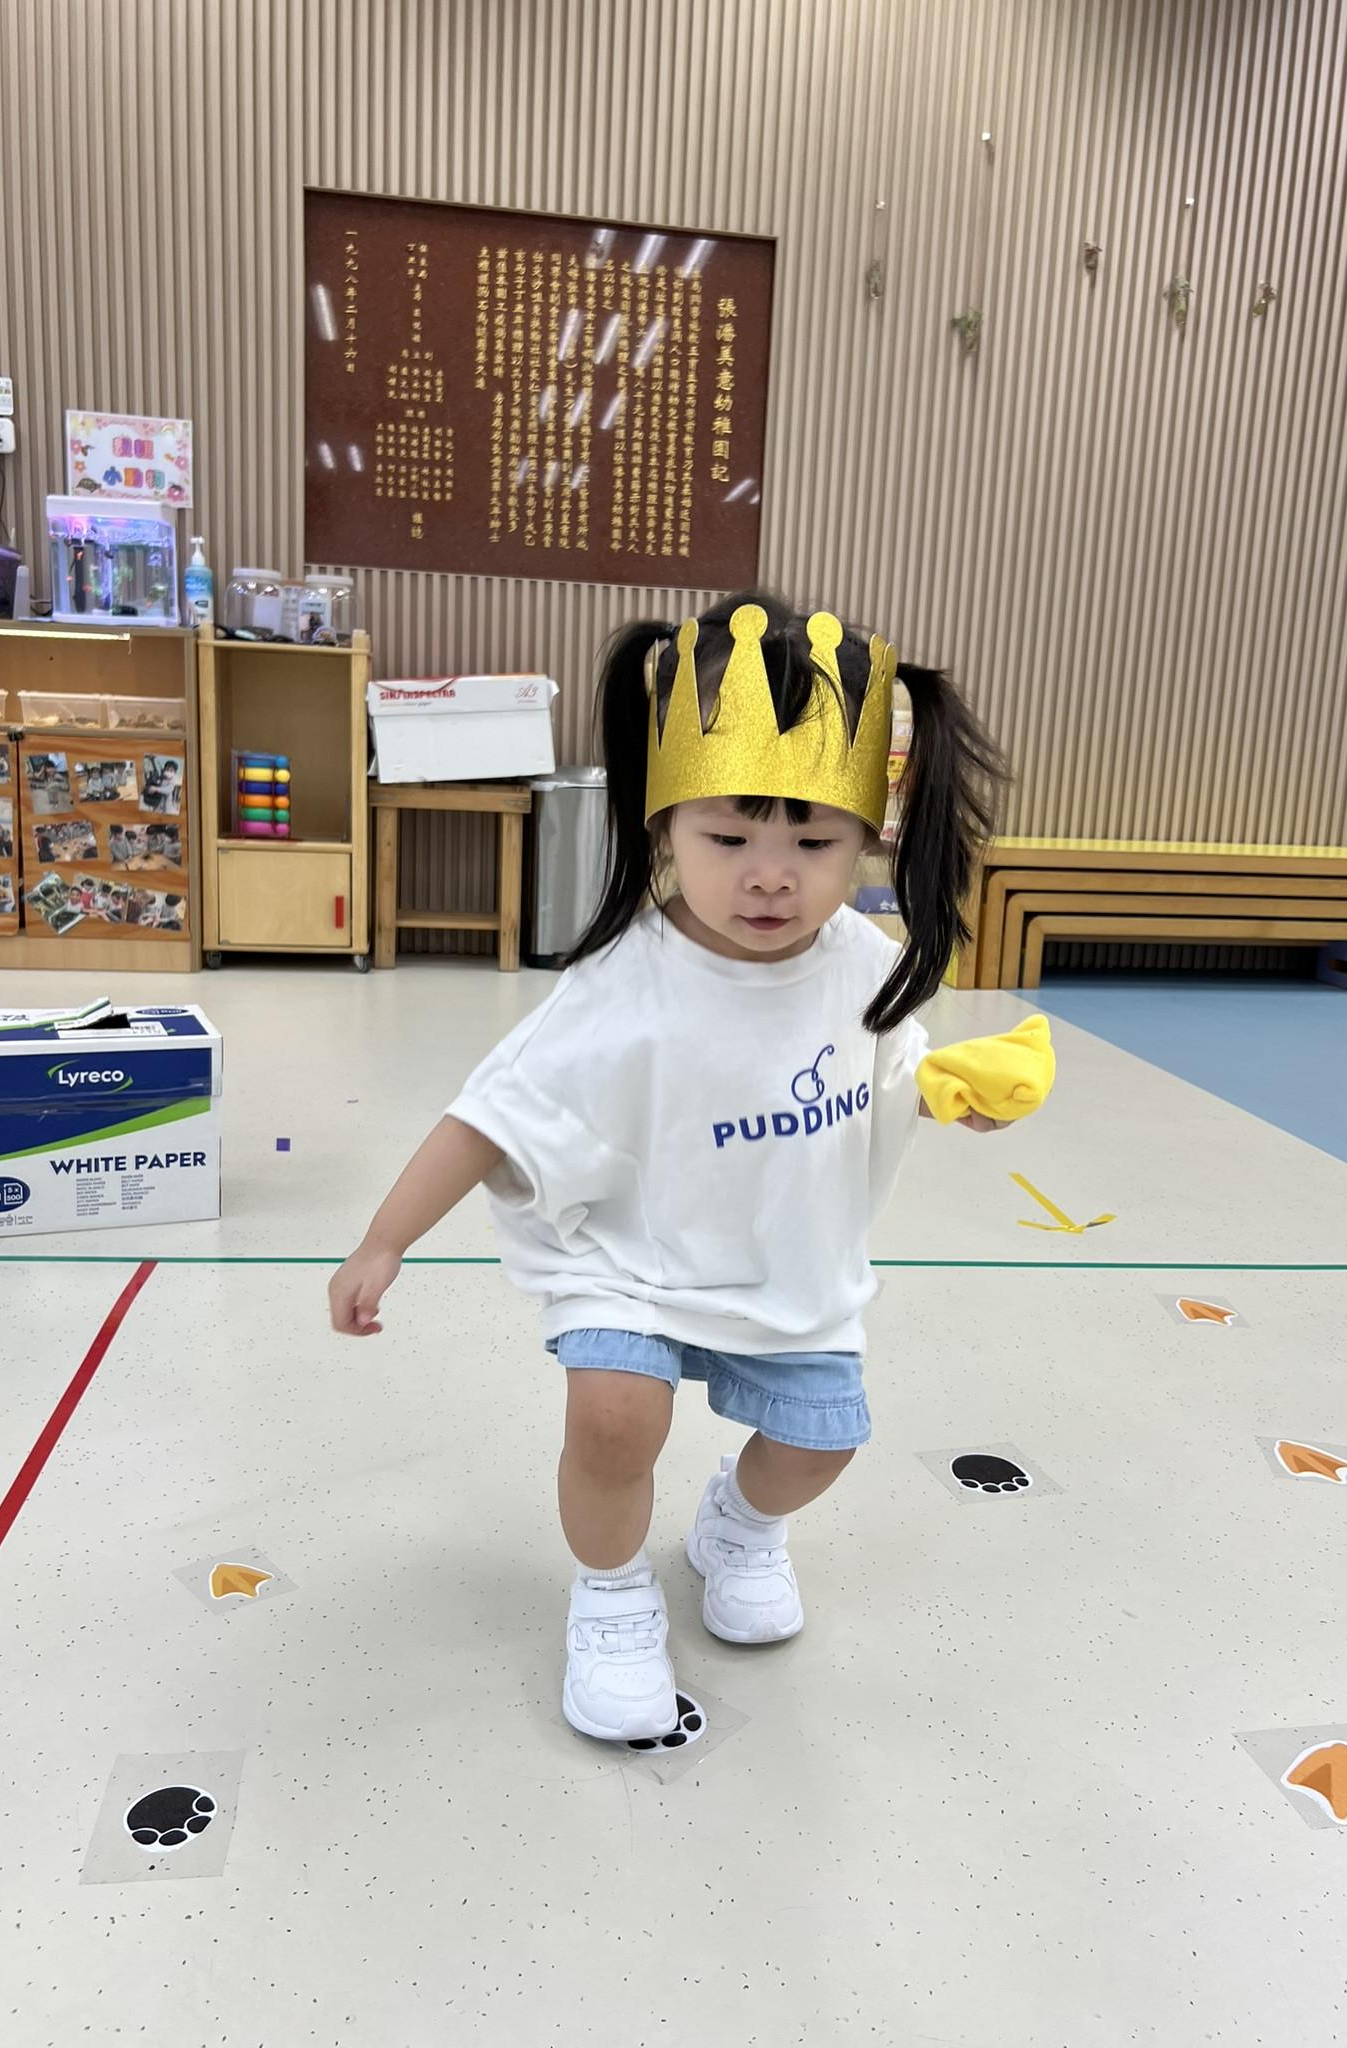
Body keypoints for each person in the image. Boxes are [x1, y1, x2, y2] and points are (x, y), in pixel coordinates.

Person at [329, 591, 1011, 1744]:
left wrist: (959, 1095)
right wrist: (383, 1239)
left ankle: (737, 1526)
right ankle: (609, 1594)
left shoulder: (865, 964)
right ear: (664, 827)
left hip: (789, 1265)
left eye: (813, 842)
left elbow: (898, 1076)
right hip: (632, 1256)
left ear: (866, 838)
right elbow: (491, 1114)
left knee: (823, 1441)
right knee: (611, 1416)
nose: (770, 876)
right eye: (729, 838)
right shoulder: (623, 980)